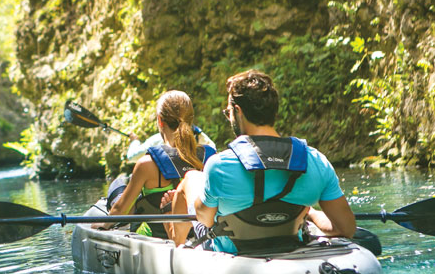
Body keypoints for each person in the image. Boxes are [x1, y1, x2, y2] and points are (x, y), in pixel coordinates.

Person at [166, 69, 356, 254]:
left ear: (238, 112)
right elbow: (346, 228)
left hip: (231, 248)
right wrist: (310, 214)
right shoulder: (316, 161)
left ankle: (178, 245)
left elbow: (205, 220)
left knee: (191, 177)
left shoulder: (219, 166)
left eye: (228, 112)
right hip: (289, 241)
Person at [94, 90, 216, 237]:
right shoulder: (210, 157)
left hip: (157, 235)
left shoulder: (147, 164)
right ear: (191, 120)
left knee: (119, 183)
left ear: (160, 121)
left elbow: (120, 210)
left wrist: (104, 225)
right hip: (198, 233)